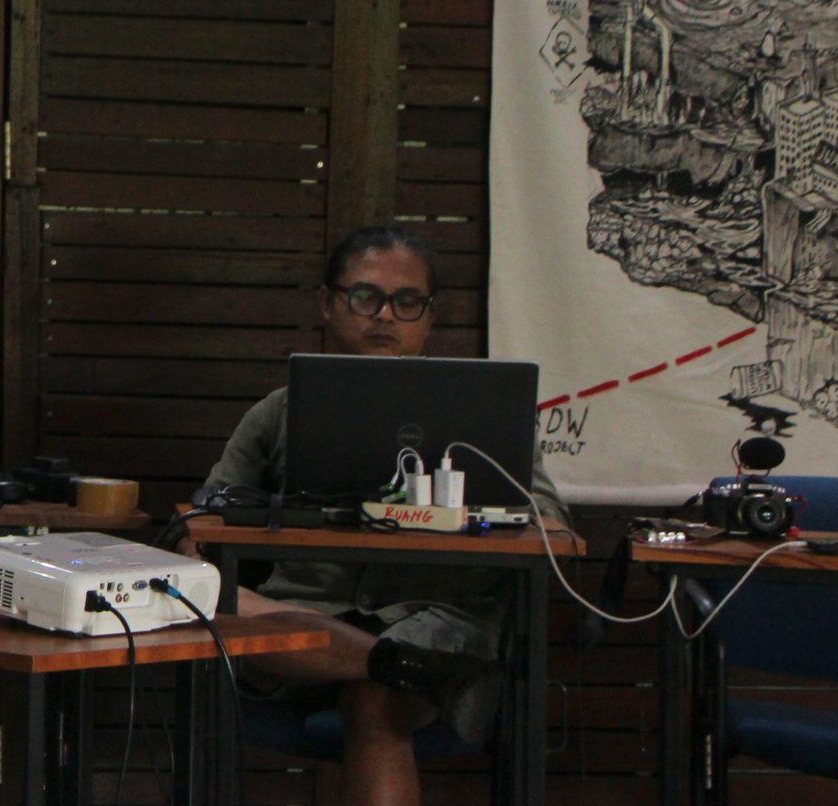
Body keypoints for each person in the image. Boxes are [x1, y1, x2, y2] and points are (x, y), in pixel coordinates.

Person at [193, 225, 564, 806]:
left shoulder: (484, 415)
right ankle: (397, 664)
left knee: (376, 701)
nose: (385, 315)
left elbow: (551, 531)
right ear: (328, 303)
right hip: (297, 634)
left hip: (432, 621)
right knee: (204, 597)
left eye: (407, 301)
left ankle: (395, 665)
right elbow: (198, 531)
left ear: (431, 316)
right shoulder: (276, 413)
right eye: (366, 297)